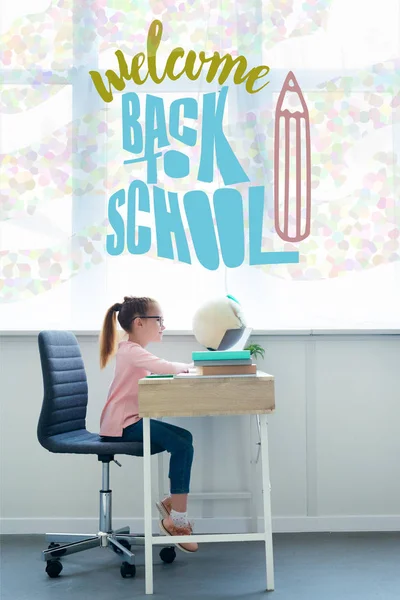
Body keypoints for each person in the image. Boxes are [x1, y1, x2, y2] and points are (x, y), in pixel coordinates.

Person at [99, 295, 198, 553]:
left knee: (184, 439)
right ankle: (177, 520)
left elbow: (158, 368)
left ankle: (172, 504)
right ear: (139, 323)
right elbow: (162, 365)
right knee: (182, 445)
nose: (163, 325)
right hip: (122, 426)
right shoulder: (131, 351)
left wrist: (185, 369)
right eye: (159, 320)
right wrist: (193, 367)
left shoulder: (134, 351)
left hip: (128, 421)